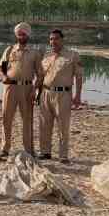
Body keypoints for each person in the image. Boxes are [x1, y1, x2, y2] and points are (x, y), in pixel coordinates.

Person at [38, 29, 84, 163]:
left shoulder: (72, 55)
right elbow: (41, 76)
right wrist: (36, 92)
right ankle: (45, 152)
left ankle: (63, 155)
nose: (53, 41)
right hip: (45, 93)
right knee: (44, 124)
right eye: (51, 39)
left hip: (63, 94)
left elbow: (79, 76)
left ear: (62, 40)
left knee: (63, 125)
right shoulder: (46, 56)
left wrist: (78, 96)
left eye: (56, 38)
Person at [0, 22, 42, 157]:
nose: (21, 36)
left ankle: (29, 150)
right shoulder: (9, 50)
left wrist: (35, 90)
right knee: (6, 118)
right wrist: (3, 76)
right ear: (16, 35)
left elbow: (40, 75)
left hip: (27, 88)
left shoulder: (34, 53)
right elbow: (1, 67)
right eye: (19, 34)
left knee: (27, 119)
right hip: (10, 87)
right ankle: (5, 149)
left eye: (24, 34)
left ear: (28, 35)